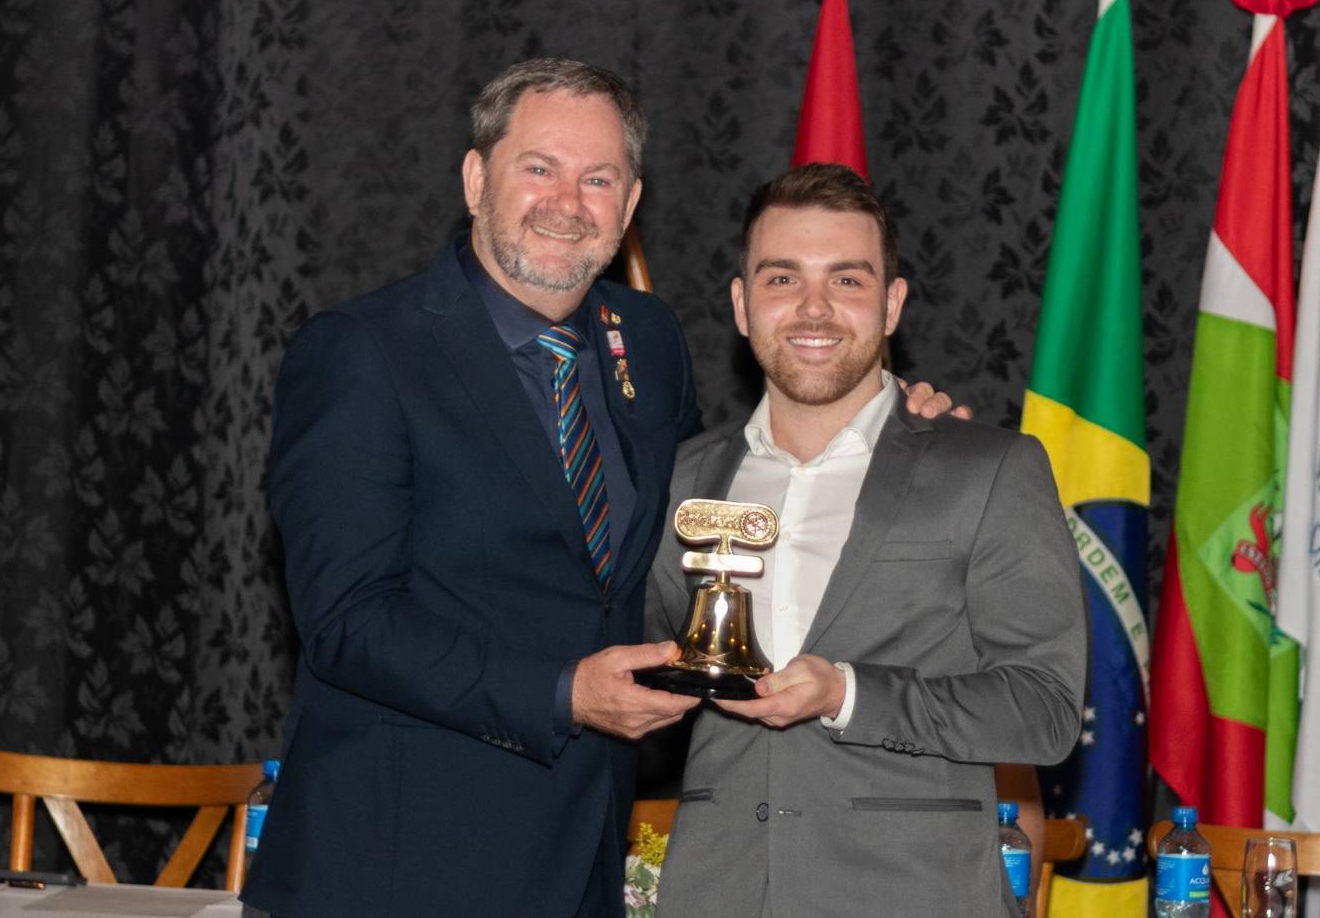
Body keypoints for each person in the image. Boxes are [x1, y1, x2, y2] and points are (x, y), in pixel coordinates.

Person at [242, 60, 960, 918]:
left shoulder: (647, 341)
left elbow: (718, 525)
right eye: (539, 168)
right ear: (475, 180)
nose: (567, 202)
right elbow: (347, 622)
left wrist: (878, 427)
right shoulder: (364, 351)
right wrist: (564, 695)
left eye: (598, 179)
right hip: (398, 862)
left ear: (629, 204)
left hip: (584, 857)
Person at [646, 163, 1089, 918]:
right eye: (782, 278)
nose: (814, 307)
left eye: (846, 280)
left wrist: (848, 694)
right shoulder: (679, 479)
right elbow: (641, 663)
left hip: (914, 894)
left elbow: (1044, 710)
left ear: (892, 304)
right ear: (742, 304)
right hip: (716, 891)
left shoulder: (989, 470)